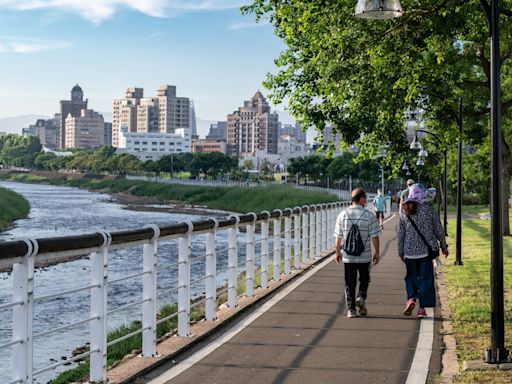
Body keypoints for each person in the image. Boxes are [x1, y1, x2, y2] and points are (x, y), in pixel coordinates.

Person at [398, 184, 449, 318]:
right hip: (426, 252)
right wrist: (443, 245)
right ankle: (422, 309)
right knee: (425, 280)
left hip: (409, 252)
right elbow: (438, 229)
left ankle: (411, 299)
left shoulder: (405, 210)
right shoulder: (429, 210)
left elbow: (401, 234)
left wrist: (400, 251)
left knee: (411, 278)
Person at [334, 188, 381, 318]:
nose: (366, 201)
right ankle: (361, 296)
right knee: (365, 278)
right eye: (365, 198)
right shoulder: (369, 215)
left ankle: (351, 310)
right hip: (364, 256)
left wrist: (337, 252)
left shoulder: (342, 214)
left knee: (349, 282)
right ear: (361, 199)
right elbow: (375, 236)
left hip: (348, 256)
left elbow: (338, 237)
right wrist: (377, 252)